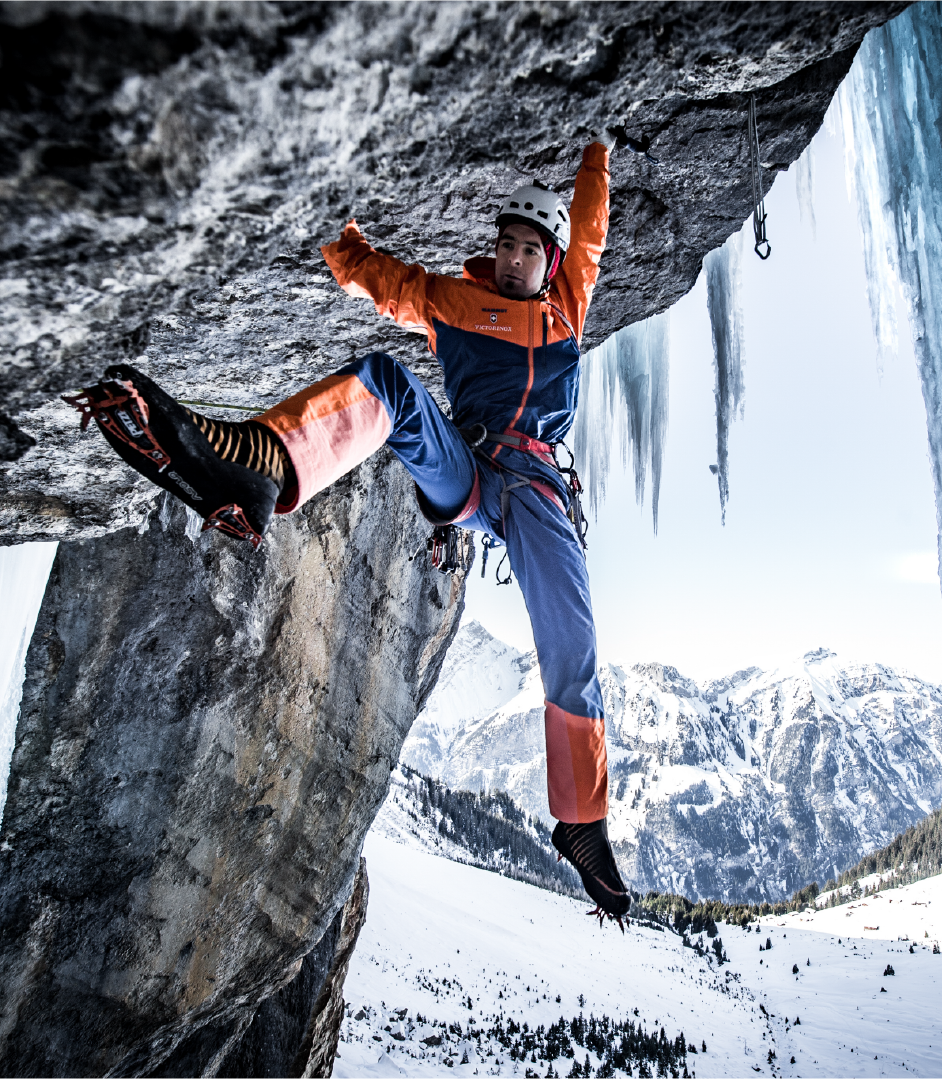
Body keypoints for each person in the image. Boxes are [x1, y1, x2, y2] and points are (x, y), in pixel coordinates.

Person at [66, 133, 631, 925]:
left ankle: (580, 821)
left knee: (572, 646)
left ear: (549, 259)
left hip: (535, 492)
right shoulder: (458, 303)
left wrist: (599, 150)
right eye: (504, 245)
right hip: (470, 472)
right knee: (389, 383)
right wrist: (335, 224)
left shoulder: (567, 309)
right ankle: (261, 462)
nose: (511, 260)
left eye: (528, 250)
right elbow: (382, 282)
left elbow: (593, 232)